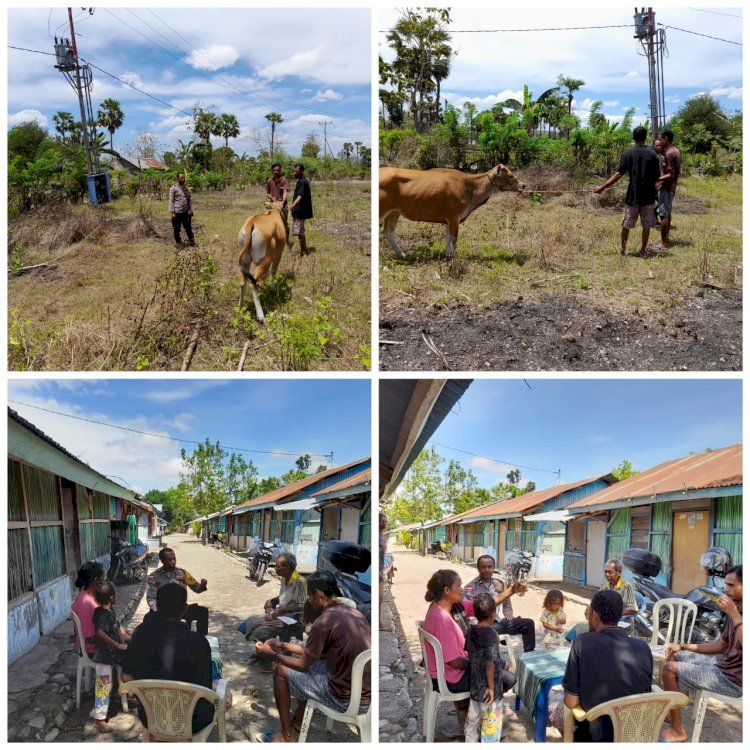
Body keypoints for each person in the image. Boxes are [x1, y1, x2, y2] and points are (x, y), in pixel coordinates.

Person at [254, 570, 371, 743]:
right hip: (364, 693)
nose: (309, 600)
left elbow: (302, 665)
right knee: (308, 666)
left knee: (280, 671)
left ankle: (286, 737)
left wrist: (272, 654)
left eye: (310, 596)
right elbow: (316, 653)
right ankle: (299, 719)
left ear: (318, 594)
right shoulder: (353, 613)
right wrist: (282, 645)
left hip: (344, 698)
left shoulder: (324, 621)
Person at [660, 565, 742, 742]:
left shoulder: (736, 613)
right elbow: (721, 645)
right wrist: (683, 646)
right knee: (675, 654)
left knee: (669, 669)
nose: (726, 590)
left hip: (734, 680)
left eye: (731, 585)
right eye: (725, 584)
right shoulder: (737, 609)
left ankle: (678, 730)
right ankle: (675, 709)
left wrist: (734, 615)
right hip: (723, 665)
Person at [122, 583, 214, 738]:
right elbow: (206, 688)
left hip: (151, 718)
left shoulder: (140, 634)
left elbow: (127, 677)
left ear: (157, 605)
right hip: (194, 720)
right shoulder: (199, 642)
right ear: (185, 609)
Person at [562, 589, 653, 742]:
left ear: (595, 616)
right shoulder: (643, 647)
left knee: (558, 707)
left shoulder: (582, 642)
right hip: (634, 732)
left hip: (597, 736)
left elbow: (571, 701)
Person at [594, 125, 660, 256]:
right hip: (648, 195)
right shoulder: (653, 154)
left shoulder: (627, 154)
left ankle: (623, 250)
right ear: (645, 138)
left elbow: (618, 174)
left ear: (633, 137)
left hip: (633, 195)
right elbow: (657, 176)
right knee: (646, 224)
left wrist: (602, 187)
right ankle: (642, 250)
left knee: (627, 222)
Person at [464, 593, 517, 743]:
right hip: (490, 690)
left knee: (472, 721)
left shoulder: (470, 631)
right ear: (493, 615)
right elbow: (490, 663)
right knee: (490, 724)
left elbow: (469, 652)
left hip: (475, 686)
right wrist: (492, 688)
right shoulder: (492, 635)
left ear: (475, 613)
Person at [463, 555, 536, 652]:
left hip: (497, 621)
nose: (487, 570)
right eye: (483, 567)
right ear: (478, 568)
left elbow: (506, 599)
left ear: (494, 568)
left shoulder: (499, 584)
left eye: (490, 567)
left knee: (528, 624)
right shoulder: (470, 588)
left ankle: (529, 655)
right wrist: (512, 590)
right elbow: (471, 613)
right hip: (481, 626)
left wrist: (508, 613)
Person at [91, 581, 130, 733]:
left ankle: (129, 693)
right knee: (103, 686)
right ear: (112, 597)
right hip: (104, 656)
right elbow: (99, 633)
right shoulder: (101, 614)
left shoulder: (109, 610)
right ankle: (99, 719)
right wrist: (118, 645)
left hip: (112, 654)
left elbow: (116, 627)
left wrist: (124, 639)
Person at [240, 553, 306, 643]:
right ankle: (267, 647)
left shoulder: (299, 582)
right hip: (280, 615)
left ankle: (271, 651)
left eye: (277, 566)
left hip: (291, 619)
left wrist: (283, 611)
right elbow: (285, 596)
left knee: (260, 630)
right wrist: (272, 600)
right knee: (251, 620)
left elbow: (302, 606)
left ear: (287, 569)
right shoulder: (284, 578)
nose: (275, 568)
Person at [146, 547, 209, 635]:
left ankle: (202, 639)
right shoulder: (154, 577)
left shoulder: (183, 573)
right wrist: (158, 611)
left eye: (174, 558)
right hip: (162, 611)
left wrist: (202, 586)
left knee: (203, 612)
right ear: (162, 561)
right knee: (148, 619)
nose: (173, 562)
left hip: (180, 610)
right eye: (170, 559)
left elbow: (197, 588)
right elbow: (151, 598)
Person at [71, 561, 106, 658]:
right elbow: (88, 637)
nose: (104, 582)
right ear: (96, 580)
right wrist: (113, 639)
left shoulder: (88, 596)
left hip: (96, 644)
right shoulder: (85, 603)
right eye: (103, 578)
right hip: (93, 650)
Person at [656, 129, 681, 252]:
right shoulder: (675, 150)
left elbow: (670, 174)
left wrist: (657, 179)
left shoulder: (669, 153)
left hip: (666, 187)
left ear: (666, 138)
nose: (660, 142)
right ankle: (665, 239)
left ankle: (663, 243)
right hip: (672, 186)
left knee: (663, 215)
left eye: (661, 139)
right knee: (668, 212)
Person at [289, 163, 313, 257]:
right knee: (300, 232)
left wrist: (293, 205)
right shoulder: (301, 180)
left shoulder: (302, 182)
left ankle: (304, 252)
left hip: (300, 211)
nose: (294, 173)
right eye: (294, 171)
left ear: (301, 171)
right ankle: (304, 251)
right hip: (299, 211)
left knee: (300, 232)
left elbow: (300, 196)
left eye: (296, 171)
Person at [168, 172, 195, 247]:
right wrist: (172, 212)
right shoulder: (173, 188)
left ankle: (192, 241)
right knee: (177, 229)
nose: (183, 179)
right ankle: (178, 242)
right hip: (177, 212)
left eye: (184, 178)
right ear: (178, 179)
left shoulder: (187, 188)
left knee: (188, 228)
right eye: (181, 178)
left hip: (185, 212)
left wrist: (190, 210)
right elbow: (171, 201)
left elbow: (189, 199)